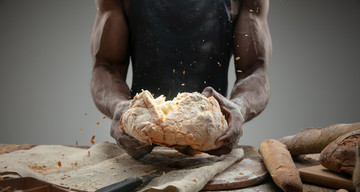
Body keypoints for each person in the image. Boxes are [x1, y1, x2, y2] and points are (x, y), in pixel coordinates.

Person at [90, 0, 272, 159]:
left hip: (210, 148)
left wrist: (240, 107)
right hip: (140, 144)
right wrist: (117, 106)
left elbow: (255, 69)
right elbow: (106, 66)